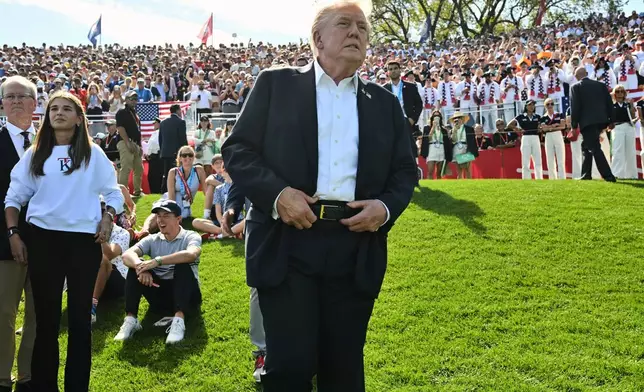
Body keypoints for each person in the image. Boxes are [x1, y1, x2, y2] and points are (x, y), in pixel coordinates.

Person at [221, 1, 417, 390]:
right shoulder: (276, 84)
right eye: (344, 24)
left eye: (362, 27)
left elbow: (405, 171)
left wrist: (385, 207)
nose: (356, 33)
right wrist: (278, 196)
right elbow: (238, 151)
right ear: (316, 39)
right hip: (287, 242)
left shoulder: (384, 103)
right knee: (290, 367)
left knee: (343, 372)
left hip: (355, 245)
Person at [4, 90, 123, 392]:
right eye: (53, 108)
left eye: (66, 108)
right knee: (46, 322)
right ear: (46, 116)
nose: (58, 113)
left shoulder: (93, 154)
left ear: (79, 117)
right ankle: (45, 386)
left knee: (81, 323)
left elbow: (113, 192)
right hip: (43, 242)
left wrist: (108, 216)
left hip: (84, 244)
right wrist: (14, 233)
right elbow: (14, 198)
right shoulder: (36, 153)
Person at [114, 200, 202, 345]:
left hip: (188, 296)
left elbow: (191, 254)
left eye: (166, 215)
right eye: (158, 216)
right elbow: (127, 255)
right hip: (160, 296)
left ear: (178, 219)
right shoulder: (152, 239)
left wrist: (157, 261)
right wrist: (140, 267)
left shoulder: (190, 236)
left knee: (182, 265)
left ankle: (179, 321)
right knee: (134, 265)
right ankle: (131, 319)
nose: (160, 220)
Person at [0, 75, 36, 392]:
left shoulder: (50, 144)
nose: (14, 101)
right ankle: (1, 378)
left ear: (34, 103)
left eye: (20, 96)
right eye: (8, 96)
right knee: (3, 316)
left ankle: (28, 377)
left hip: (45, 246)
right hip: (3, 245)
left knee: (38, 318)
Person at [570, 67, 616, 181]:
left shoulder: (575, 87)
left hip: (587, 122)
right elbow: (609, 103)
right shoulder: (600, 85)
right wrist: (611, 120)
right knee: (586, 146)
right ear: (586, 73)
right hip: (601, 121)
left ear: (576, 77)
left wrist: (574, 125)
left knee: (594, 147)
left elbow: (575, 108)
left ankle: (608, 176)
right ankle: (586, 174)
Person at [91, 196, 131, 325]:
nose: (98, 215)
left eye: (102, 212)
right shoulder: (83, 229)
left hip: (116, 280)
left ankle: (92, 308)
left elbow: (109, 254)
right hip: (90, 275)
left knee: (102, 259)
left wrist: (99, 233)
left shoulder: (122, 233)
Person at [383, 60, 423, 159]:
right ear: (387, 72)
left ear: (400, 70)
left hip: (406, 121)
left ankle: (413, 170)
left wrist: (413, 119)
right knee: (392, 151)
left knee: (409, 150)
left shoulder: (411, 86)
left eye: (395, 68)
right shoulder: (384, 89)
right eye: (390, 69)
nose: (393, 71)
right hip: (390, 123)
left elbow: (419, 104)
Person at [116, 89, 145, 196]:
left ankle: (138, 191)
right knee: (126, 168)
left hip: (135, 143)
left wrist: (140, 146)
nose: (134, 101)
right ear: (126, 99)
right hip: (125, 142)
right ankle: (123, 193)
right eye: (132, 99)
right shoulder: (122, 111)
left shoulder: (134, 113)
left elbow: (138, 131)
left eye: (136, 99)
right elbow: (120, 127)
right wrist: (127, 142)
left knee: (139, 168)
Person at [508, 99, 543, 180]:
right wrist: (517, 129)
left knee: (537, 159)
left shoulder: (537, 116)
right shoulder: (521, 116)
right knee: (525, 159)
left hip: (535, 137)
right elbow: (509, 124)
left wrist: (540, 128)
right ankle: (526, 179)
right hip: (526, 137)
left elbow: (540, 127)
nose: (531, 106)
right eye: (530, 105)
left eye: (533, 105)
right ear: (526, 106)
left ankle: (539, 178)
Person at [610, 85, 638, 179]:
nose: (620, 93)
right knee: (618, 151)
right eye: (617, 91)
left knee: (630, 151)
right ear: (614, 93)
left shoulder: (627, 104)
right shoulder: (611, 105)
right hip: (617, 127)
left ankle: (631, 174)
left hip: (629, 127)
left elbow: (632, 117)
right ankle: (617, 174)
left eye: (622, 91)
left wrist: (631, 106)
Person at [159, 104, 188, 193]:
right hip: (176, 153)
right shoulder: (181, 122)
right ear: (178, 110)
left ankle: (165, 190)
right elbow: (182, 138)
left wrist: (162, 150)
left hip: (165, 152)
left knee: (166, 173)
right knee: (177, 173)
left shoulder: (163, 122)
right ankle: (176, 189)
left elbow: (160, 139)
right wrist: (185, 151)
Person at [539, 97, 567, 179]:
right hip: (548, 136)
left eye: (551, 104)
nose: (550, 105)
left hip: (558, 135)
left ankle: (562, 177)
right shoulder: (543, 117)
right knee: (550, 158)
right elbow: (544, 129)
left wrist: (550, 127)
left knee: (561, 157)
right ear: (545, 106)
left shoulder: (559, 114)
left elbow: (562, 126)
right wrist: (553, 126)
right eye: (548, 104)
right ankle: (552, 178)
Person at [419, 110, 452, 179]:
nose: (436, 117)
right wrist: (433, 127)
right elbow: (428, 138)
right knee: (430, 171)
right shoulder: (427, 128)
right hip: (432, 148)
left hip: (441, 148)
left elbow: (447, 141)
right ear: (432, 118)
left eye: (438, 116)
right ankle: (430, 186)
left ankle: (439, 186)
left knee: (439, 172)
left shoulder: (443, 129)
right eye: (435, 116)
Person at [449, 111, 478, 179]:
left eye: (459, 117)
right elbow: (452, 140)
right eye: (455, 118)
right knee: (459, 170)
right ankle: (460, 186)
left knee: (468, 168)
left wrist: (470, 151)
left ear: (462, 119)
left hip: (466, 148)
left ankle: (469, 185)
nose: (457, 119)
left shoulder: (469, 129)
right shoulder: (452, 130)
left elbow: (472, 141)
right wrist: (455, 130)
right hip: (456, 149)